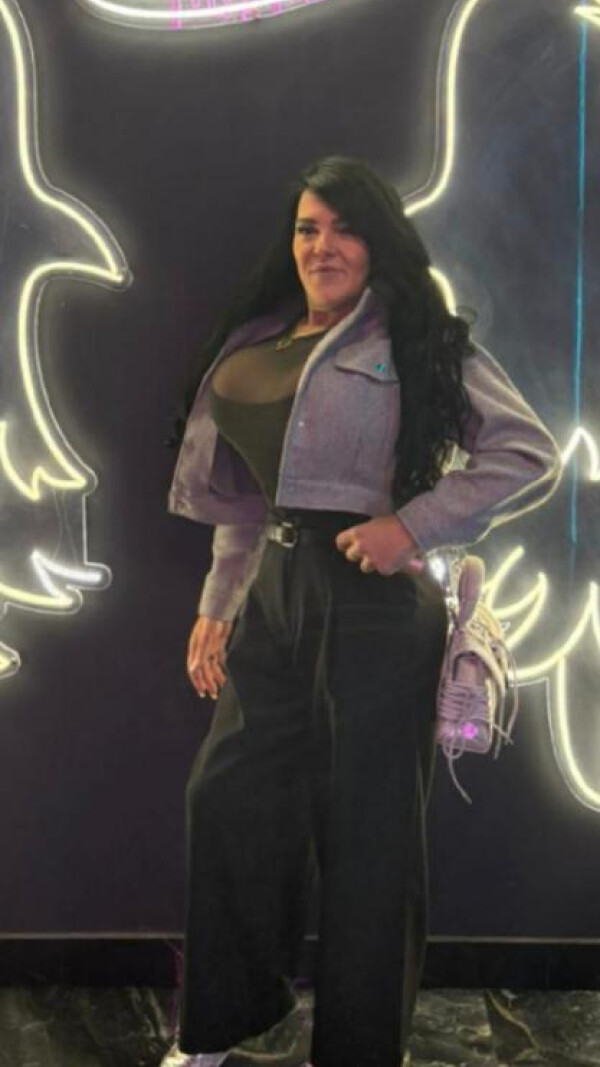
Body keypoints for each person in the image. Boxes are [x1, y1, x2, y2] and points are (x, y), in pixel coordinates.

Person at [164, 156, 561, 1067]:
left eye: (345, 228)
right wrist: (219, 603)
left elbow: (526, 450)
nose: (324, 246)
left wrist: (408, 526)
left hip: (377, 607)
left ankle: (360, 1049)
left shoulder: (413, 336)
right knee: (224, 798)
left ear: (377, 242)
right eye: (308, 228)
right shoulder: (261, 337)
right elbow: (245, 499)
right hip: (275, 593)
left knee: (371, 837)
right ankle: (220, 1025)